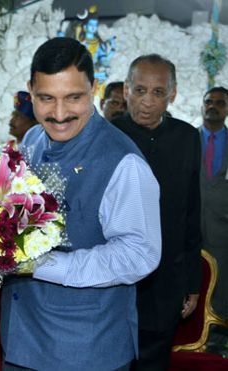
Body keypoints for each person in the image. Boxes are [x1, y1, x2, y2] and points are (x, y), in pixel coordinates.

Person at [1, 37, 161, 371]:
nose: (59, 115)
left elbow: (139, 254)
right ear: (30, 90)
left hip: (84, 348)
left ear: (95, 89)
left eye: (73, 98)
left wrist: (41, 265)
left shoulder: (123, 162)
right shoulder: (31, 138)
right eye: (46, 99)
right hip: (21, 337)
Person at [111, 54, 202, 371]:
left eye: (158, 92)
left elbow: (190, 212)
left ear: (172, 95)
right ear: (125, 90)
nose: (147, 101)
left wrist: (192, 280)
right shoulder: (107, 136)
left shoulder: (188, 138)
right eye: (139, 90)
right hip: (114, 281)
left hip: (164, 281)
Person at [200, 87, 228, 318]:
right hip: (190, 225)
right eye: (209, 101)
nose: (213, 106)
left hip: (223, 228)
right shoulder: (186, 138)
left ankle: (218, 338)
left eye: (220, 103)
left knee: (222, 281)